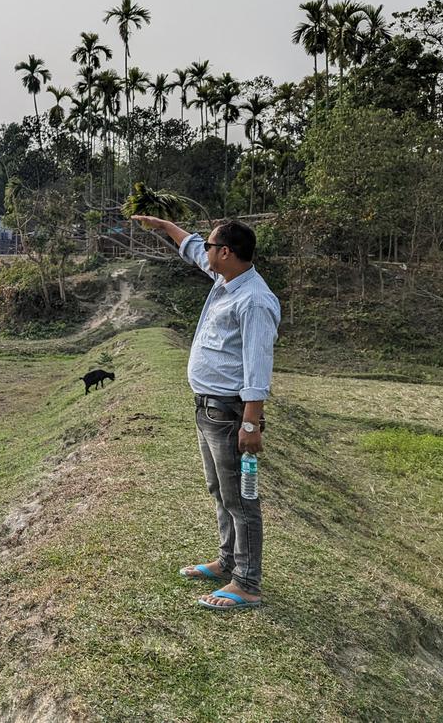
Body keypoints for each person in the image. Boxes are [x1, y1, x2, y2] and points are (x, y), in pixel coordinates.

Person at [130, 215, 280, 611]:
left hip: (231, 413)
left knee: (241, 501)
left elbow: (257, 367)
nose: (205, 251)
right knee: (220, 492)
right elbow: (192, 247)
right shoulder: (226, 280)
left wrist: (251, 422)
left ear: (227, 252)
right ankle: (229, 561)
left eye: (212, 246)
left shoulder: (254, 301)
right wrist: (164, 226)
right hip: (209, 409)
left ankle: (247, 583)